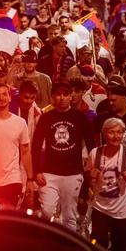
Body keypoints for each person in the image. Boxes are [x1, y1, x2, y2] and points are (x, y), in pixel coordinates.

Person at [32, 80, 94, 230]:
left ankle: (69, 248)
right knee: (46, 211)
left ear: (70, 96)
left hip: (72, 173)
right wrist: (36, 171)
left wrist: (91, 167)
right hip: (49, 173)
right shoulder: (46, 117)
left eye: (65, 94)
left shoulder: (80, 117)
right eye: (58, 95)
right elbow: (36, 145)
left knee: (69, 215)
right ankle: (50, 241)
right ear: (52, 97)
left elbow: (92, 144)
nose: (61, 98)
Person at [85, 118, 126, 251]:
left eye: (119, 132)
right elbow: (88, 174)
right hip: (100, 207)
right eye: (111, 132)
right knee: (97, 244)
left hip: (123, 208)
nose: (116, 136)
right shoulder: (95, 153)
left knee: (121, 247)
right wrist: (91, 176)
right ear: (104, 134)